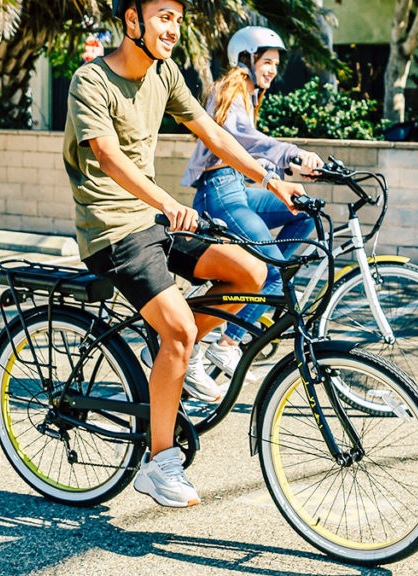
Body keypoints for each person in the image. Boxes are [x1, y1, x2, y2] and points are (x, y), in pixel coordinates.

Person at [63, 0, 307, 508]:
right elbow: (106, 156)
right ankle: (159, 463)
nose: (172, 28)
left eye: (177, 17)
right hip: (111, 230)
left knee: (251, 272)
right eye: (162, 17)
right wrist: (170, 202)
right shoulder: (90, 81)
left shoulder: (165, 72)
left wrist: (270, 179)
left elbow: (213, 132)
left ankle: (177, 354)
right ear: (132, 21)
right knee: (176, 330)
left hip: (152, 219)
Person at [181, 26, 325, 378]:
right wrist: (292, 152)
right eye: (267, 61)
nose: (273, 69)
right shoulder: (230, 89)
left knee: (306, 214)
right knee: (274, 270)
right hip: (222, 191)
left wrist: (289, 166)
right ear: (245, 58)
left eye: (276, 63)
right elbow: (242, 139)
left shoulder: (248, 94)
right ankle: (228, 343)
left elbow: (250, 151)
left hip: (239, 189)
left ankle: (251, 287)